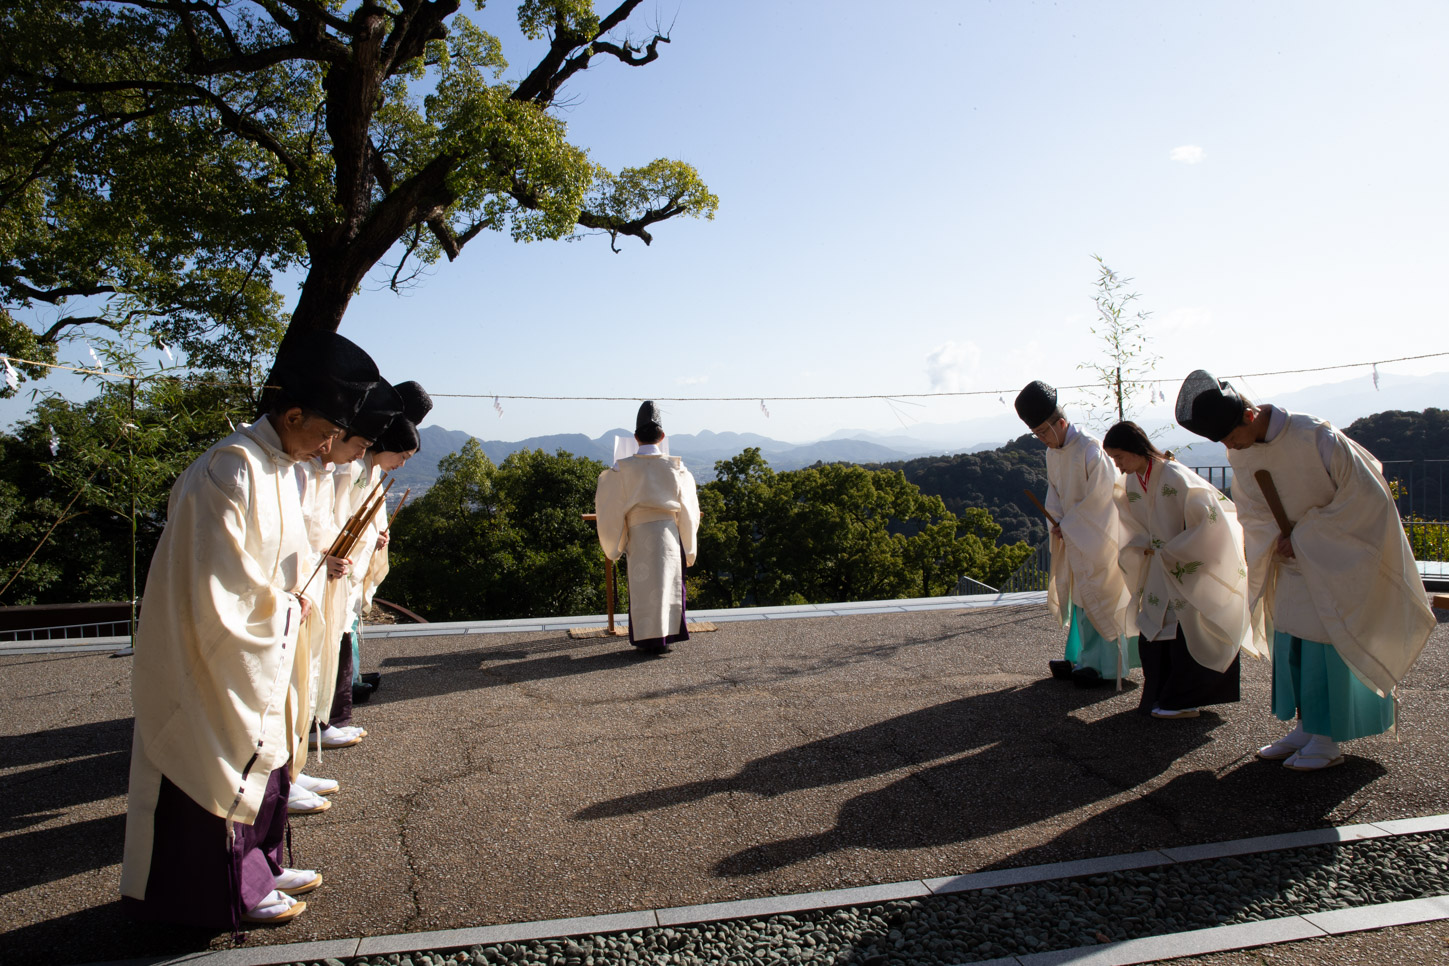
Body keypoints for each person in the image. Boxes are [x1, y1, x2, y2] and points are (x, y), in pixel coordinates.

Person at [121, 332, 379, 928]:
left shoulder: (280, 465)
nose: (327, 449)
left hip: (270, 637)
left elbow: (293, 557)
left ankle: (259, 865)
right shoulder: (231, 469)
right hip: (215, 651)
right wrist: (285, 606)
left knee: (269, 750)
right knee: (219, 765)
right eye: (324, 434)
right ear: (292, 415)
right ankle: (224, 892)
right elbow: (219, 582)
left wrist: (297, 598)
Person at [1175, 370, 1435, 771]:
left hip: (1336, 559)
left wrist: (1308, 536)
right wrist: (1274, 541)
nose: (1231, 448)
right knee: (1293, 643)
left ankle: (1329, 739)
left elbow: (1366, 498)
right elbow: (1252, 509)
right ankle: (1307, 727)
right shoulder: (1241, 450)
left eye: (1229, 437)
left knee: (1326, 645)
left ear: (1248, 415)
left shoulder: (1315, 437)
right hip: (1290, 561)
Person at [1103, 420, 1266, 719]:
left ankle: (1183, 701)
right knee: (1154, 629)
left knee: (1187, 629)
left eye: (1120, 457)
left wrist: (1174, 549)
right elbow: (1132, 524)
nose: (1119, 465)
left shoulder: (1175, 476)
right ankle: (1161, 696)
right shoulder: (1132, 482)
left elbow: (1209, 520)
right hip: (1157, 567)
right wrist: (1141, 546)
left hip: (1183, 566)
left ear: (1135, 450)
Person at [1014, 381, 1135, 687]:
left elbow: (1102, 498)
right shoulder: (1053, 453)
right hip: (1074, 534)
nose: (1042, 439)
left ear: (1061, 423)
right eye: (1037, 434)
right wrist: (1057, 521)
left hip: (1098, 537)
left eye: (1044, 432)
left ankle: (1106, 667)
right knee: (1081, 598)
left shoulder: (1091, 449)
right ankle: (1081, 659)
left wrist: (1068, 525)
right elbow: (1054, 493)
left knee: (1100, 594)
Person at [594, 401, 700, 655]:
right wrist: (689, 545)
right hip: (668, 533)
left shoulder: (620, 470)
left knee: (643, 585)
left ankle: (646, 640)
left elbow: (608, 506)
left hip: (639, 533)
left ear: (635, 438)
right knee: (669, 583)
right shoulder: (677, 468)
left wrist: (616, 543)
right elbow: (688, 509)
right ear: (662, 437)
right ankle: (667, 637)